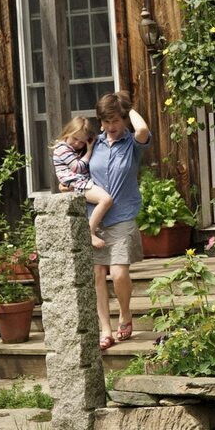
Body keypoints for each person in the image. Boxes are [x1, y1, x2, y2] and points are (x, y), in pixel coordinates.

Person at [86, 91, 150, 351]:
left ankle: (125, 313)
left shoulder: (133, 144)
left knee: (119, 272)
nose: (110, 127)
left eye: (115, 121)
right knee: (97, 275)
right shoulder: (94, 143)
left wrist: (128, 107)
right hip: (94, 218)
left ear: (123, 119)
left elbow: (143, 128)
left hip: (123, 215)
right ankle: (105, 329)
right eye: (106, 121)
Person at [51, 117, 115, 250]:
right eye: (75, 138)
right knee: (106, 199)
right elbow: (77, 167)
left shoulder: (72, 148)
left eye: (82, 142)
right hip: (77, 184)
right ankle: (90, 232)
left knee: (104, 200)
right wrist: (90, 151)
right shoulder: (62, 148)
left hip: (78, 183)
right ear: (67, 132)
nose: (77, 144)